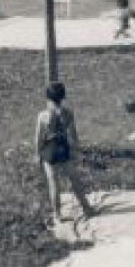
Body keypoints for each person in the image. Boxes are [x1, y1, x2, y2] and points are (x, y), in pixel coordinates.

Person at [34, 83, 94, 225]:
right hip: (63, 148)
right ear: (63, 97)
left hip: (50, 150)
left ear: (48, 98)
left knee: (53, 184)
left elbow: (38, 138)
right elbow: (73, 135)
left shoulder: (42, 115)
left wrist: (37, 154)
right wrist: (76, 150)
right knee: (74, 179)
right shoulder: (68, 113)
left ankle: (57, 215)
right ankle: (87, 208)